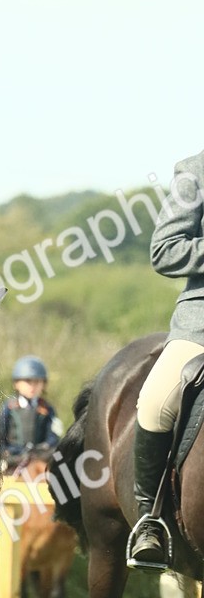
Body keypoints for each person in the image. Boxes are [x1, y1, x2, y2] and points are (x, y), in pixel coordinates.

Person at [128, 150, 204, 569]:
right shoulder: (195, 172)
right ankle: (150, 519)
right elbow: (166, 250)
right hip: (202, 325)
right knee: (156, 402)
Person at [0, 355, 62, 471]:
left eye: (37, 382)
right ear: (16, 383)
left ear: (43, 384)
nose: (32, 387)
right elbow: (0, 434)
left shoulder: (47, 409)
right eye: (28, 381)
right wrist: (5, 451)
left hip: (38, 456)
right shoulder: (9, 407)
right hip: (13, 457)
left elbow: (53, 437)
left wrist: (44, 447)